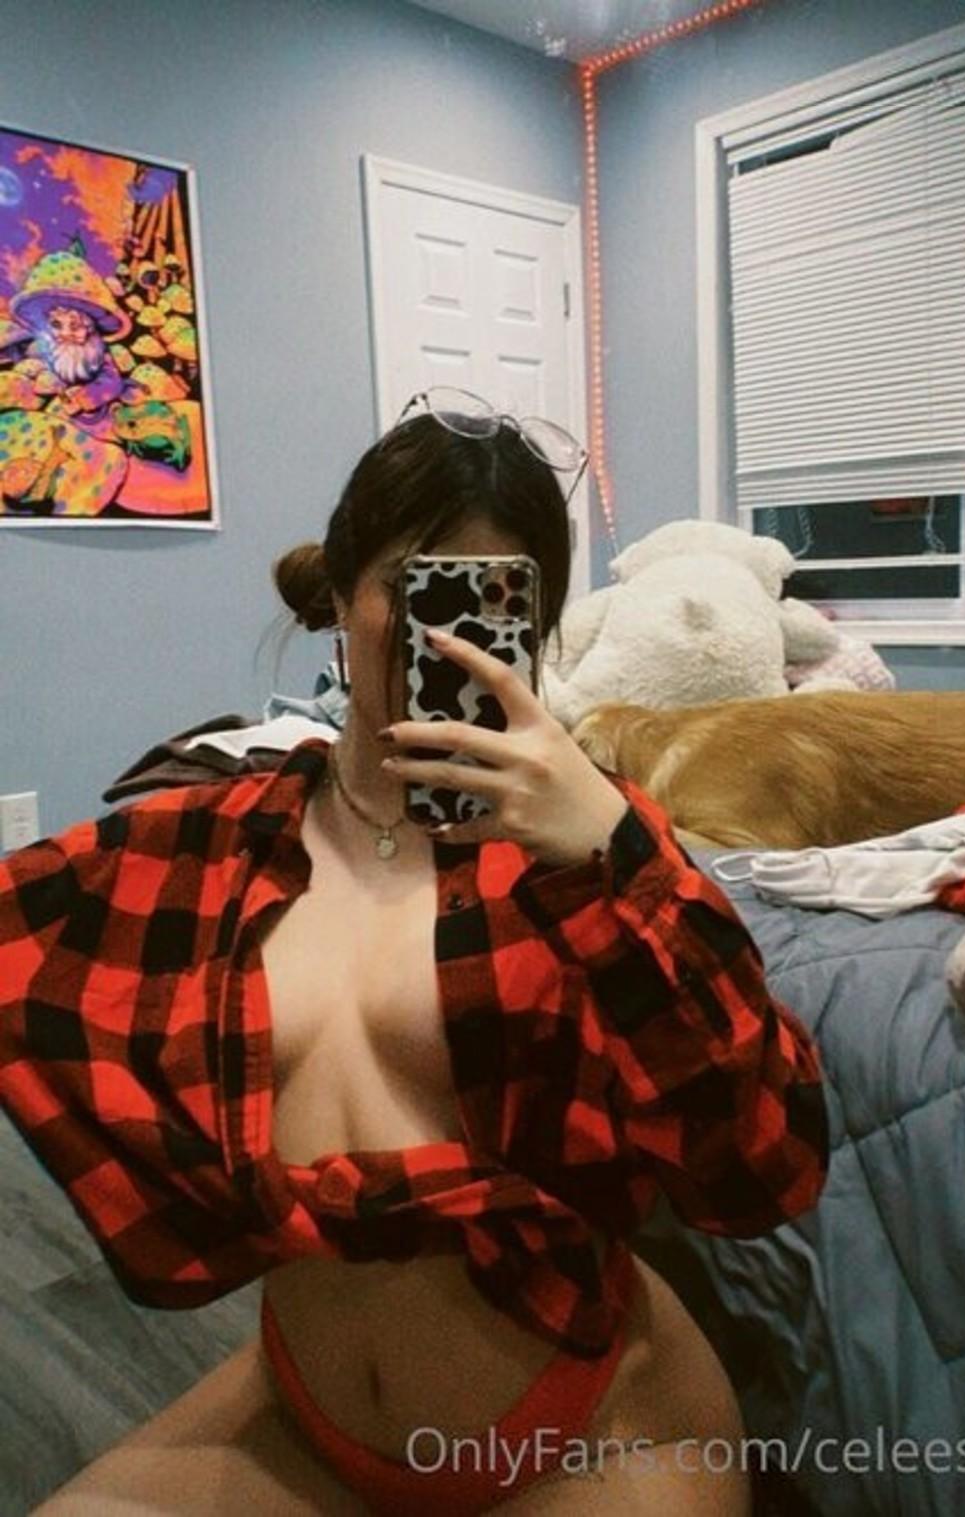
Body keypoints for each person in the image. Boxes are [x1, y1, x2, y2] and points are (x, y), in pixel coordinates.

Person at [0, 390, 829, 1515]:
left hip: (590, 1428)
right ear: (341, 594)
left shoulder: (595, 851)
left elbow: (766, 1163)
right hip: (301, 1419)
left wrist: (615, 854)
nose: (446, 639)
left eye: (492, 597)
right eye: (412, 587)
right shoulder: (221, 842)